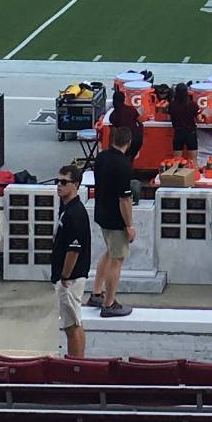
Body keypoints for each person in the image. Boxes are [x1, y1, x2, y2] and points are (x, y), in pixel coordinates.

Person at [89, 124, 136, 319]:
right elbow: (124, 200)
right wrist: (130, 225)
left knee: (109, 252)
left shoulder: (101, 157)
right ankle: (109, 303)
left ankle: (97, 292)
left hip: (101, 212)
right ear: (129, 143)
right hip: (116, 219)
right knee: (117, 259)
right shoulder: (123, 165)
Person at [52, 167, 93, 358]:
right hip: (69, 276)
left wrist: (65, 276)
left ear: (75, 185)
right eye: (57, 181)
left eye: (63, 182)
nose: (59, 186)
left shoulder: (75, 213)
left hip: (71, 278)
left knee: (72, 326)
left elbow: (73, 250)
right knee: (72, 324)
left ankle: (76, 366)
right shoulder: (66, 208)